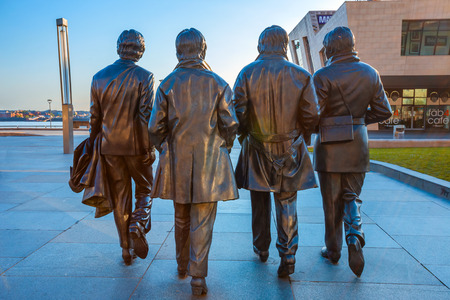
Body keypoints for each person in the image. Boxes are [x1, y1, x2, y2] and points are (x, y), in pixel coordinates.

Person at [148, 28, 239, 296]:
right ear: (203, 50)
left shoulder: (167, 85)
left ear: (178, 52)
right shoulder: (219, 83)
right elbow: (231, 124)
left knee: (181, 215)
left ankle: (181, 265)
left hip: (177, 159)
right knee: (203, 219)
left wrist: (163, 146)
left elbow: (154, 128)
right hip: (210, 161)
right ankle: (197, 277)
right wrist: (226, 144)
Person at [233, 25, 319, 277]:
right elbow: (312, 114)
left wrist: (246, 133)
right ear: (284, 44)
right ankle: (289, 254)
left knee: (259, 198)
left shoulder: (247, 73)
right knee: (287, 200)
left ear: (261, 45)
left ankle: (261, 247)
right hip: (290, 146)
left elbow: (238, 114)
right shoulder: (301, 74)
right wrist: (300, 135)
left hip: (257, 146)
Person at [313, 26, 392, 277]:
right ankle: (355, 234)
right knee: (352, 196)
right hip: (358, 143)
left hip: (328, 146)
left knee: (330, 204)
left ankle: (333, 250)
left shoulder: (322, 75)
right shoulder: (370, 73)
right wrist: (357, 121)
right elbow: (384, 111)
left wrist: (327, 123)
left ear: (330, 48)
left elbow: (312, 113)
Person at [89, 29, 155, 265]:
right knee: (146, 189)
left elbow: (95, 118)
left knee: (120, 198)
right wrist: (149, 147)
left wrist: (91, 144)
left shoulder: (99, 77)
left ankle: (126, 249)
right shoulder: (145, 76)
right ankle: (138, 223)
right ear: (140, 51)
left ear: (119, 48)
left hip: (109, 147)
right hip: (136, 146)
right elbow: (145, 116)